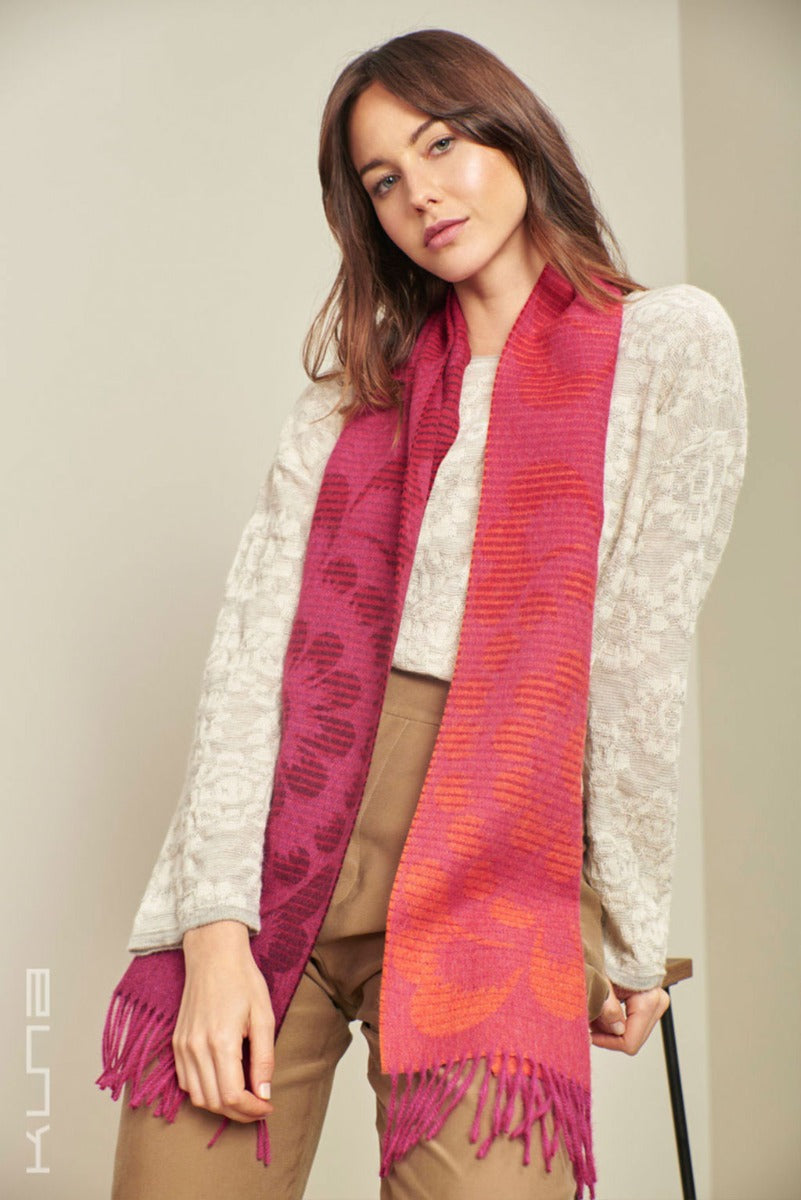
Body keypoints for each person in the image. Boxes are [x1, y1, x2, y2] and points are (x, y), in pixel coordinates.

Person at [105, 27, 747, 1200]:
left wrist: (628, 934)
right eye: (383, 179)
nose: (421, 194)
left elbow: (634, 661)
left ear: (516, 135)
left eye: (442, 144)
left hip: (498, 859)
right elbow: (249, 666)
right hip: (288, 854)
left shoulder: (667, 346)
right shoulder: (348, 397)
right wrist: (211, 930)